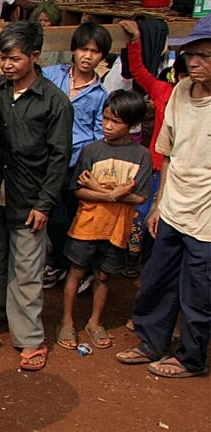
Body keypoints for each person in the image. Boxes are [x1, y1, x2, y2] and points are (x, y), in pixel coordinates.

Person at [116, 15, 211, 379]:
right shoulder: (180, 94)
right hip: (173, 206)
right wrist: (158, 204)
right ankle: (151, 341)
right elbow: (167, 154)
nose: (194, 62)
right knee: (158, 279)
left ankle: (191, 357)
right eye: (191, 54)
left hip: (206, 220)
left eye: (204, 55)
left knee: (198, 293)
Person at [0, 21, 74, 371]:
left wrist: (44, 204)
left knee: (28, 270)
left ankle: (30, 336)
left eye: (15, 58)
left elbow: (59, 157)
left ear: (35, 56)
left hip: (31, 199)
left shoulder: (55, 102)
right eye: (2, 57)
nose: (7, 64)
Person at [56, 90, 151, 351]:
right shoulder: (92, 150)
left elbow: (140, 197)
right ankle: (67, 320)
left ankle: (94, 322)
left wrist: (99, 189)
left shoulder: (141, 155)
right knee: (75, 271)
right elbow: (77, 189)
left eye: (116, 121)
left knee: (104, 275)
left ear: (131, 124)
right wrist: (114, 193)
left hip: (116, 229)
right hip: (86, 224)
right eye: (105, 119)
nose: (108, 126)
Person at [42, 22, 111, 292]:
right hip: (46, 158)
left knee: (68, 217)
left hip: (75, 165)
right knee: (50, 216)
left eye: (95, 52)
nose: (87, 56)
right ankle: (60, 262)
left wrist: (90, 170)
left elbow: (97, 135)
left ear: (102, 57)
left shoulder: (100, 94)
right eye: (83, 49)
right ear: (73, 50)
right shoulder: (51, 75)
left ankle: (73, 266)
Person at [118, 19, 188, 281]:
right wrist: (136, 41)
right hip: (156, 166)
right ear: (177, 76)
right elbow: (138, 70)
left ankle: (154, 269)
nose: (188, 80)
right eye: (183, 75)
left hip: (183, 175)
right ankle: (134, 260)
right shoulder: (163, 91)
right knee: (142, 216)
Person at [30, 1, 70, 67]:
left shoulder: (60, 40)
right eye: (40, 20)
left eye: (46, 21)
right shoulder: (31, 37)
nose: (42, 24)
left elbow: (65, 63)